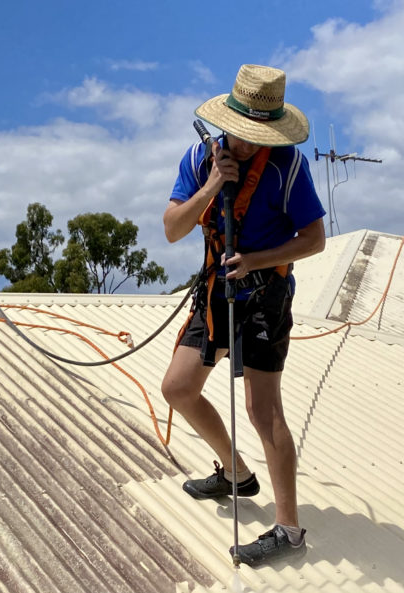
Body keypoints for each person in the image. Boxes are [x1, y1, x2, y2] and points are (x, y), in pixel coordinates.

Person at [161, 64, 326, 567]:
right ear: (227, 120)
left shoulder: (288, 167)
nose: (252, 145)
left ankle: (290, 528)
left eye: (262, 136)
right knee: (178, 388)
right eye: (245, 134)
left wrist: (253, 260)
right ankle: (236, 473)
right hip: (214, 289)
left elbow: (315, 240)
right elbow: (171, 229)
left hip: (265, 294)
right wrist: (211, 186)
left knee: (261, 408)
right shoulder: (198, 157)